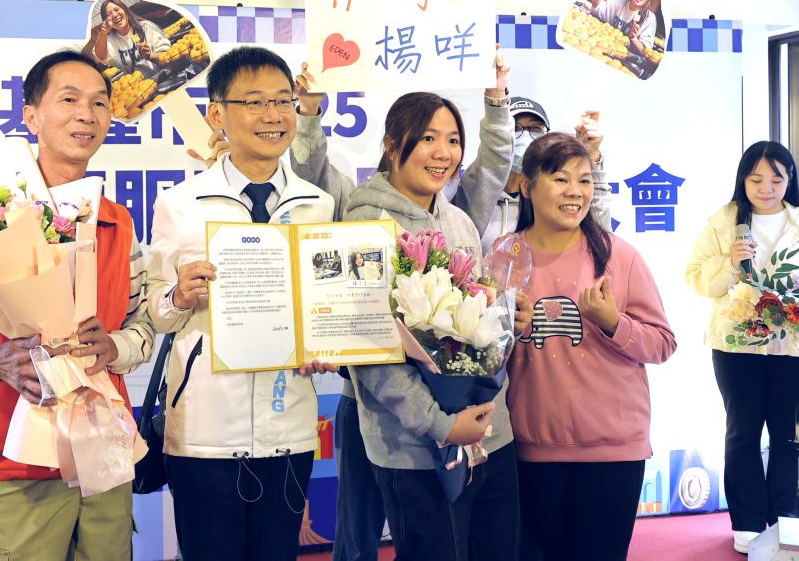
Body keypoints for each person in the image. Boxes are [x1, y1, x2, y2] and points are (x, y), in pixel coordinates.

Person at [0, 50, 155, 560]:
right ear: (32, 116)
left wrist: (116, 347)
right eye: (69, 100)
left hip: (105, 460)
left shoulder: (117, 222)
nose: (86, 115)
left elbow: (143, 323)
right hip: (10, 469)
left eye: (99, 103)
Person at [292, 56, 517, 561]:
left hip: (486, 434)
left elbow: (491, 169)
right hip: (406, 438)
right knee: (379, 540)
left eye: (453, 140)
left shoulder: (458, 219)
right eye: (428, 138)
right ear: (393, 145)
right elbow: (370, 346)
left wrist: (497, 100)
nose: (443, 152)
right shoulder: (363, 222)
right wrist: (440, 424)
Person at [145, 46, 337, 561]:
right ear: (217, 114)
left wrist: (329, 345)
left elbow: (326, 308)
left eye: (283, 101)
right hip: (205, 431)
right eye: (254, 102)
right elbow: (154, 312)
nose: (273, 115)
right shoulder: (179, 204)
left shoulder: (318, 205)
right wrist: (178, 295)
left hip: (290, 428)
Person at [507, 132, 676, 561]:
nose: (575, 192)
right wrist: (506, 329)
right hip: (532, 448)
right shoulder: (504, 258)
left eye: (584, 180)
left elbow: (662, 343)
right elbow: (478, 356)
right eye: (560, 179)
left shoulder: (619, 256)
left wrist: (613, 323)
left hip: (613, 451)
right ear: (527, 186)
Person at [685, 141, 799, 554]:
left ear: (789, 180)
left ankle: (787, 517)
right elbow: (696, 278)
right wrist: (730, 263)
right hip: (736, 345)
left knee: (788, 434)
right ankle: (748, 521)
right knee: (743, 431)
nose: (766, 188)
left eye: (776, 179)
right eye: (756, 179)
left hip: (791, 346)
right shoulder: (725, 220)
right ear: (743, 180)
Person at [476, 97, 610, 255]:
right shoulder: (477, 197)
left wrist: (590, 153)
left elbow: (600, 236)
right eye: (515, 128)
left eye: (535, 128)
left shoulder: (549, 200)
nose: (525, 136)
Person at [86, 0, 171, 75]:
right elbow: (100, 56)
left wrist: (150, 55)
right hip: (138, 86)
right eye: (109, 14)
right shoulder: (111, 40)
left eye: (117, 9)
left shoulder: (146, 27)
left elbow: (168, 56)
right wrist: (103, 33)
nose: (114, 15)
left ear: (125, 10)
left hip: (165, 77)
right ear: (105, 21)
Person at [590, 0, 658, 56]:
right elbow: (596, 8)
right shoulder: (617, 4)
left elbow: (645, 52)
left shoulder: (649, 18)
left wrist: (633, 38)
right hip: (604, 49)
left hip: (626, 59)